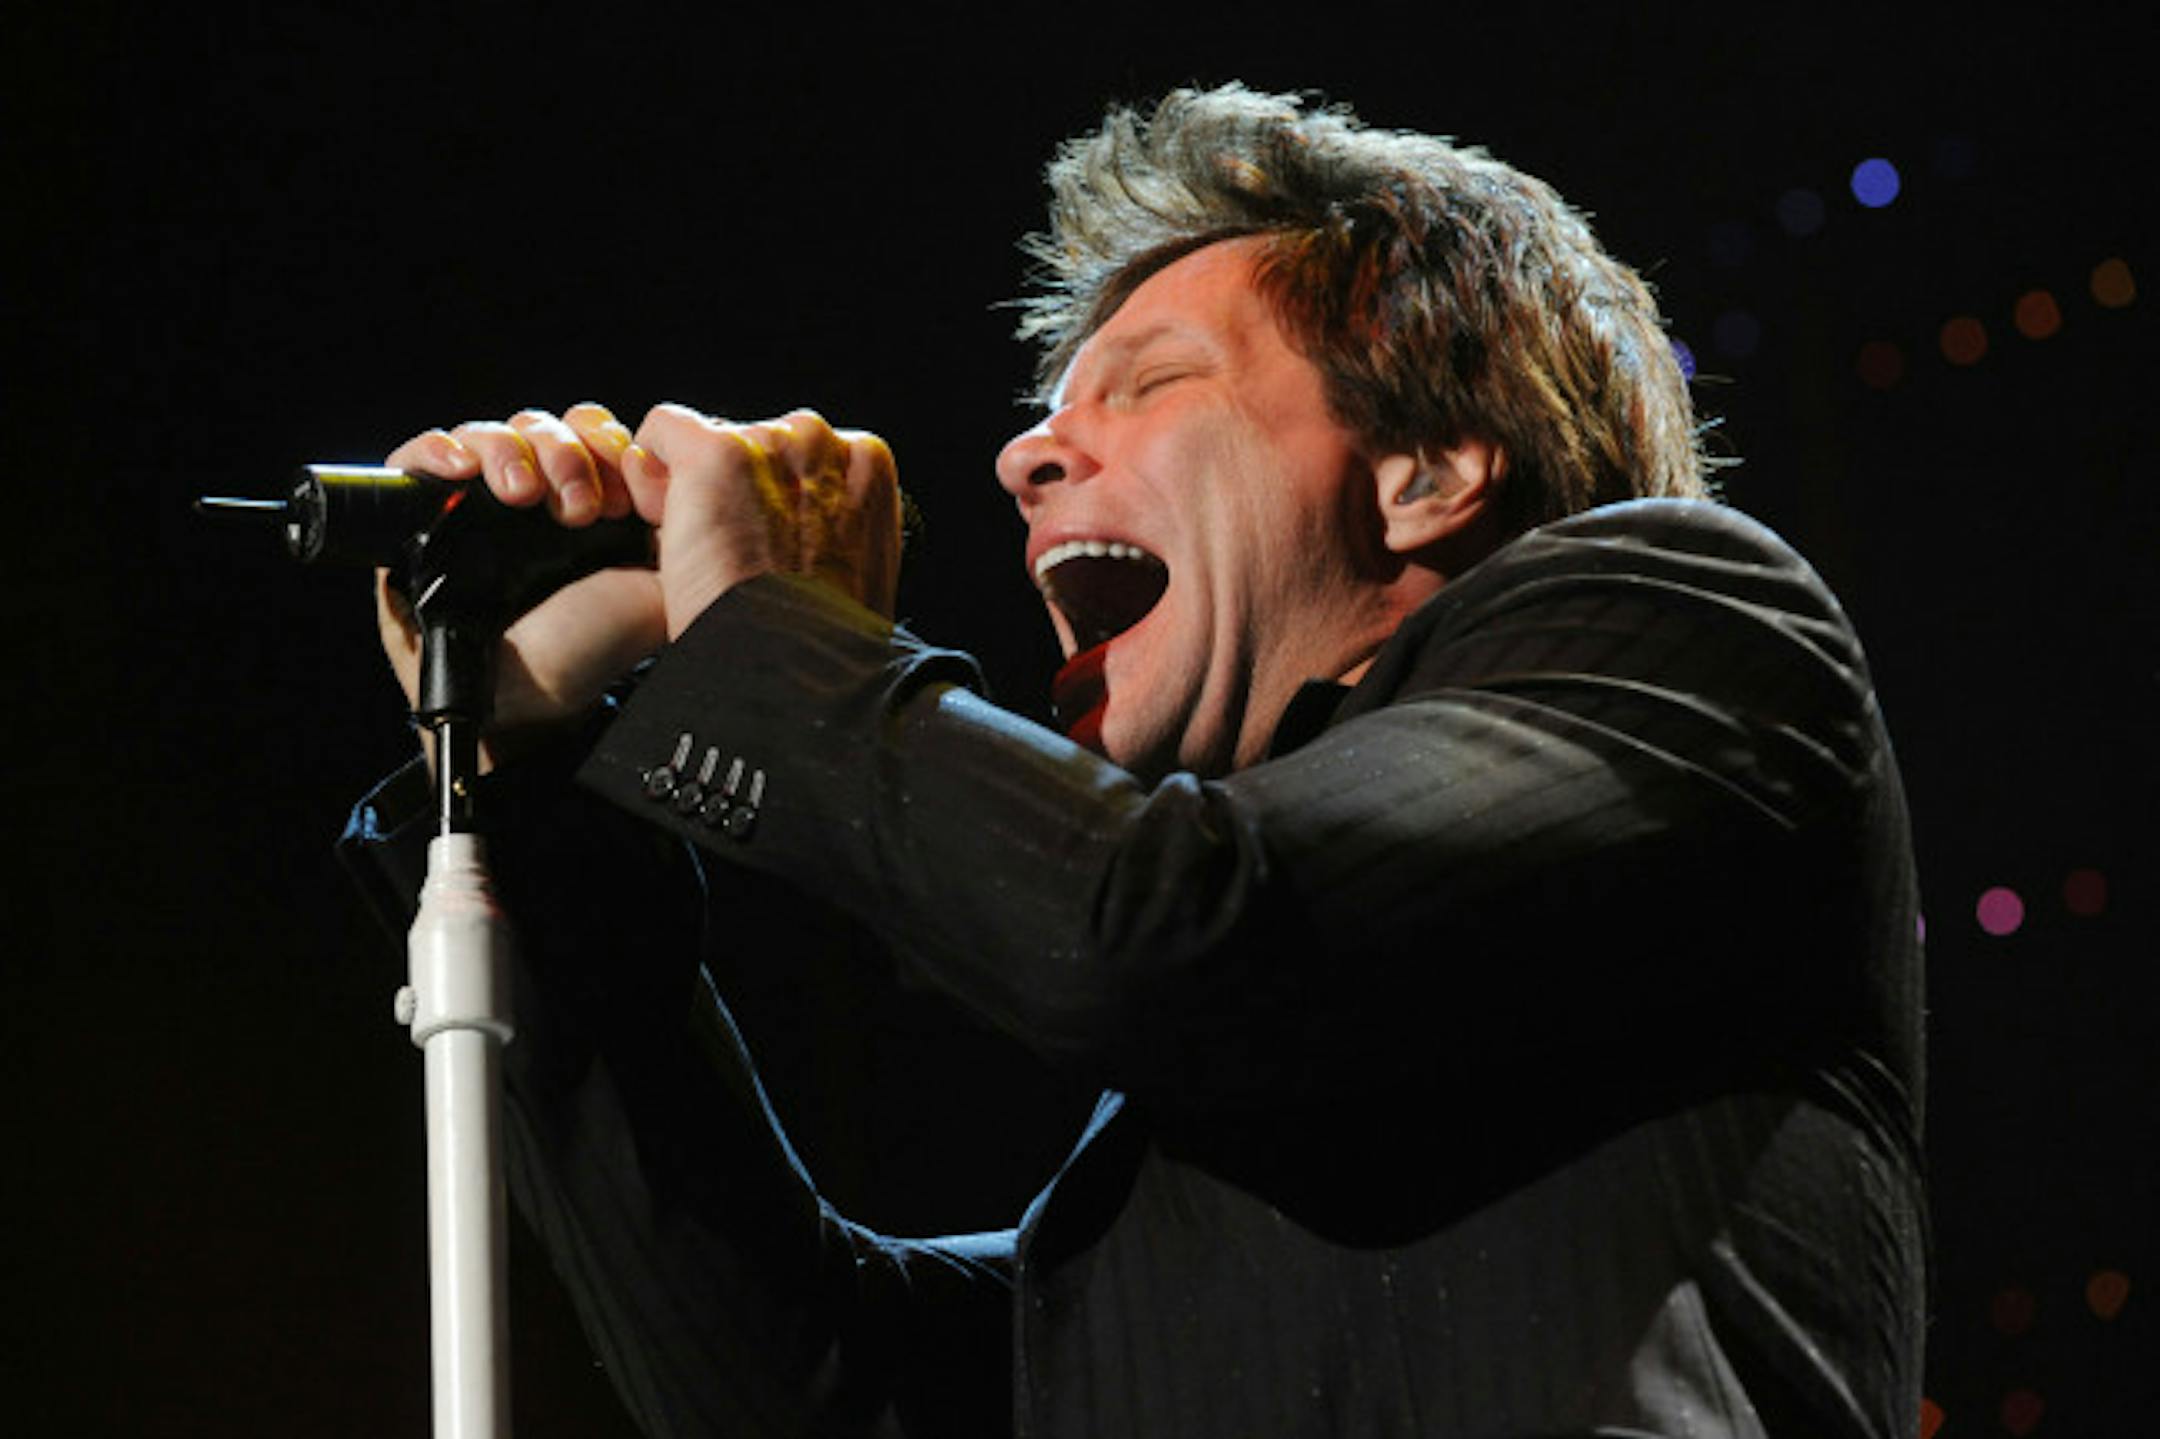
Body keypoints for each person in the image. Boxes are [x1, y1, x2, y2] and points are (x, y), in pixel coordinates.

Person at [343, 85, 1926, 1438]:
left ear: (1432, 471)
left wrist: (770, 631)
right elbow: (816, 1387)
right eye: (1045, 412)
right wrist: (528, 788)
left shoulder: (1693, 627)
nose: (1027, 453)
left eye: (1154, 382)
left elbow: (1161, 926)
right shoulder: (1157, 1207)